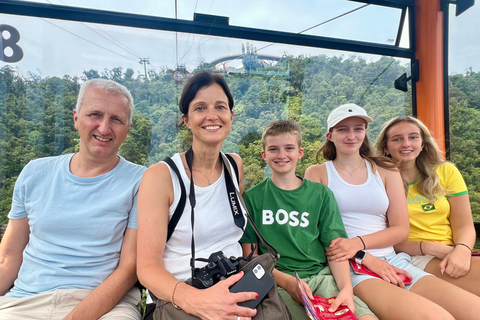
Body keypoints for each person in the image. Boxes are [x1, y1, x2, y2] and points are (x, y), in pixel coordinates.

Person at [305, 103, 480, 320]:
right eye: (343, 129)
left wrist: (359, 244)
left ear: (365, 133)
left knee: (474, 310)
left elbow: (400, 229)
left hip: (394, 260)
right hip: (350, 266)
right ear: (330, 135)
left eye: (358, 128)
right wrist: (361, 255)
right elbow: (314, 230)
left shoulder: (386, 170)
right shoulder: (317, 173)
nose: (351, 135)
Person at [0, 79, 146, 320]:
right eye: (95, 115)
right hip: (26, 300)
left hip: (105, 305)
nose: (104, 128)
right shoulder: (34, 173)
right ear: (76, 118)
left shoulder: (141, 181)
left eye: (116, 119)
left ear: (128, 128)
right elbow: (8, 258)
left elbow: (129, 268)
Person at [137, 71, 257, 320]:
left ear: (231, 116)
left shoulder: (234, 166)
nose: (212, 116)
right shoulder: (161, 176)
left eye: (220, 107)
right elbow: (147, 268)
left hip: (234, 285)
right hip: (178, 298)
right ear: (186, 119)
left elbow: (240, 230)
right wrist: (199, 302)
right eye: (200, 108)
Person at [240, 120, 377, 320]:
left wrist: (346, 289)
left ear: (300, 153)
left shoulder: (320, 195)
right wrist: (287, 282)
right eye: (273, 149)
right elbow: (250, 258)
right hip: (277, 282)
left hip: (321, 278)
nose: (282, 155)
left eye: (289, 148)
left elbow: (335, 249)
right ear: (264, 155)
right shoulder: (252, 198)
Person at [375, 115, 480, 296]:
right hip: (412, 256)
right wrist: (428, 247)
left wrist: (462, 251)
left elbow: (464, 225)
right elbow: (380, 236)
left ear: (423, 143)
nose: (406, 144)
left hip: (451, 250)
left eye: (413, 137)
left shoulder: (446, 171)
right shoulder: (377, 179)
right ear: (385, 147)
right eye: (397, 139)